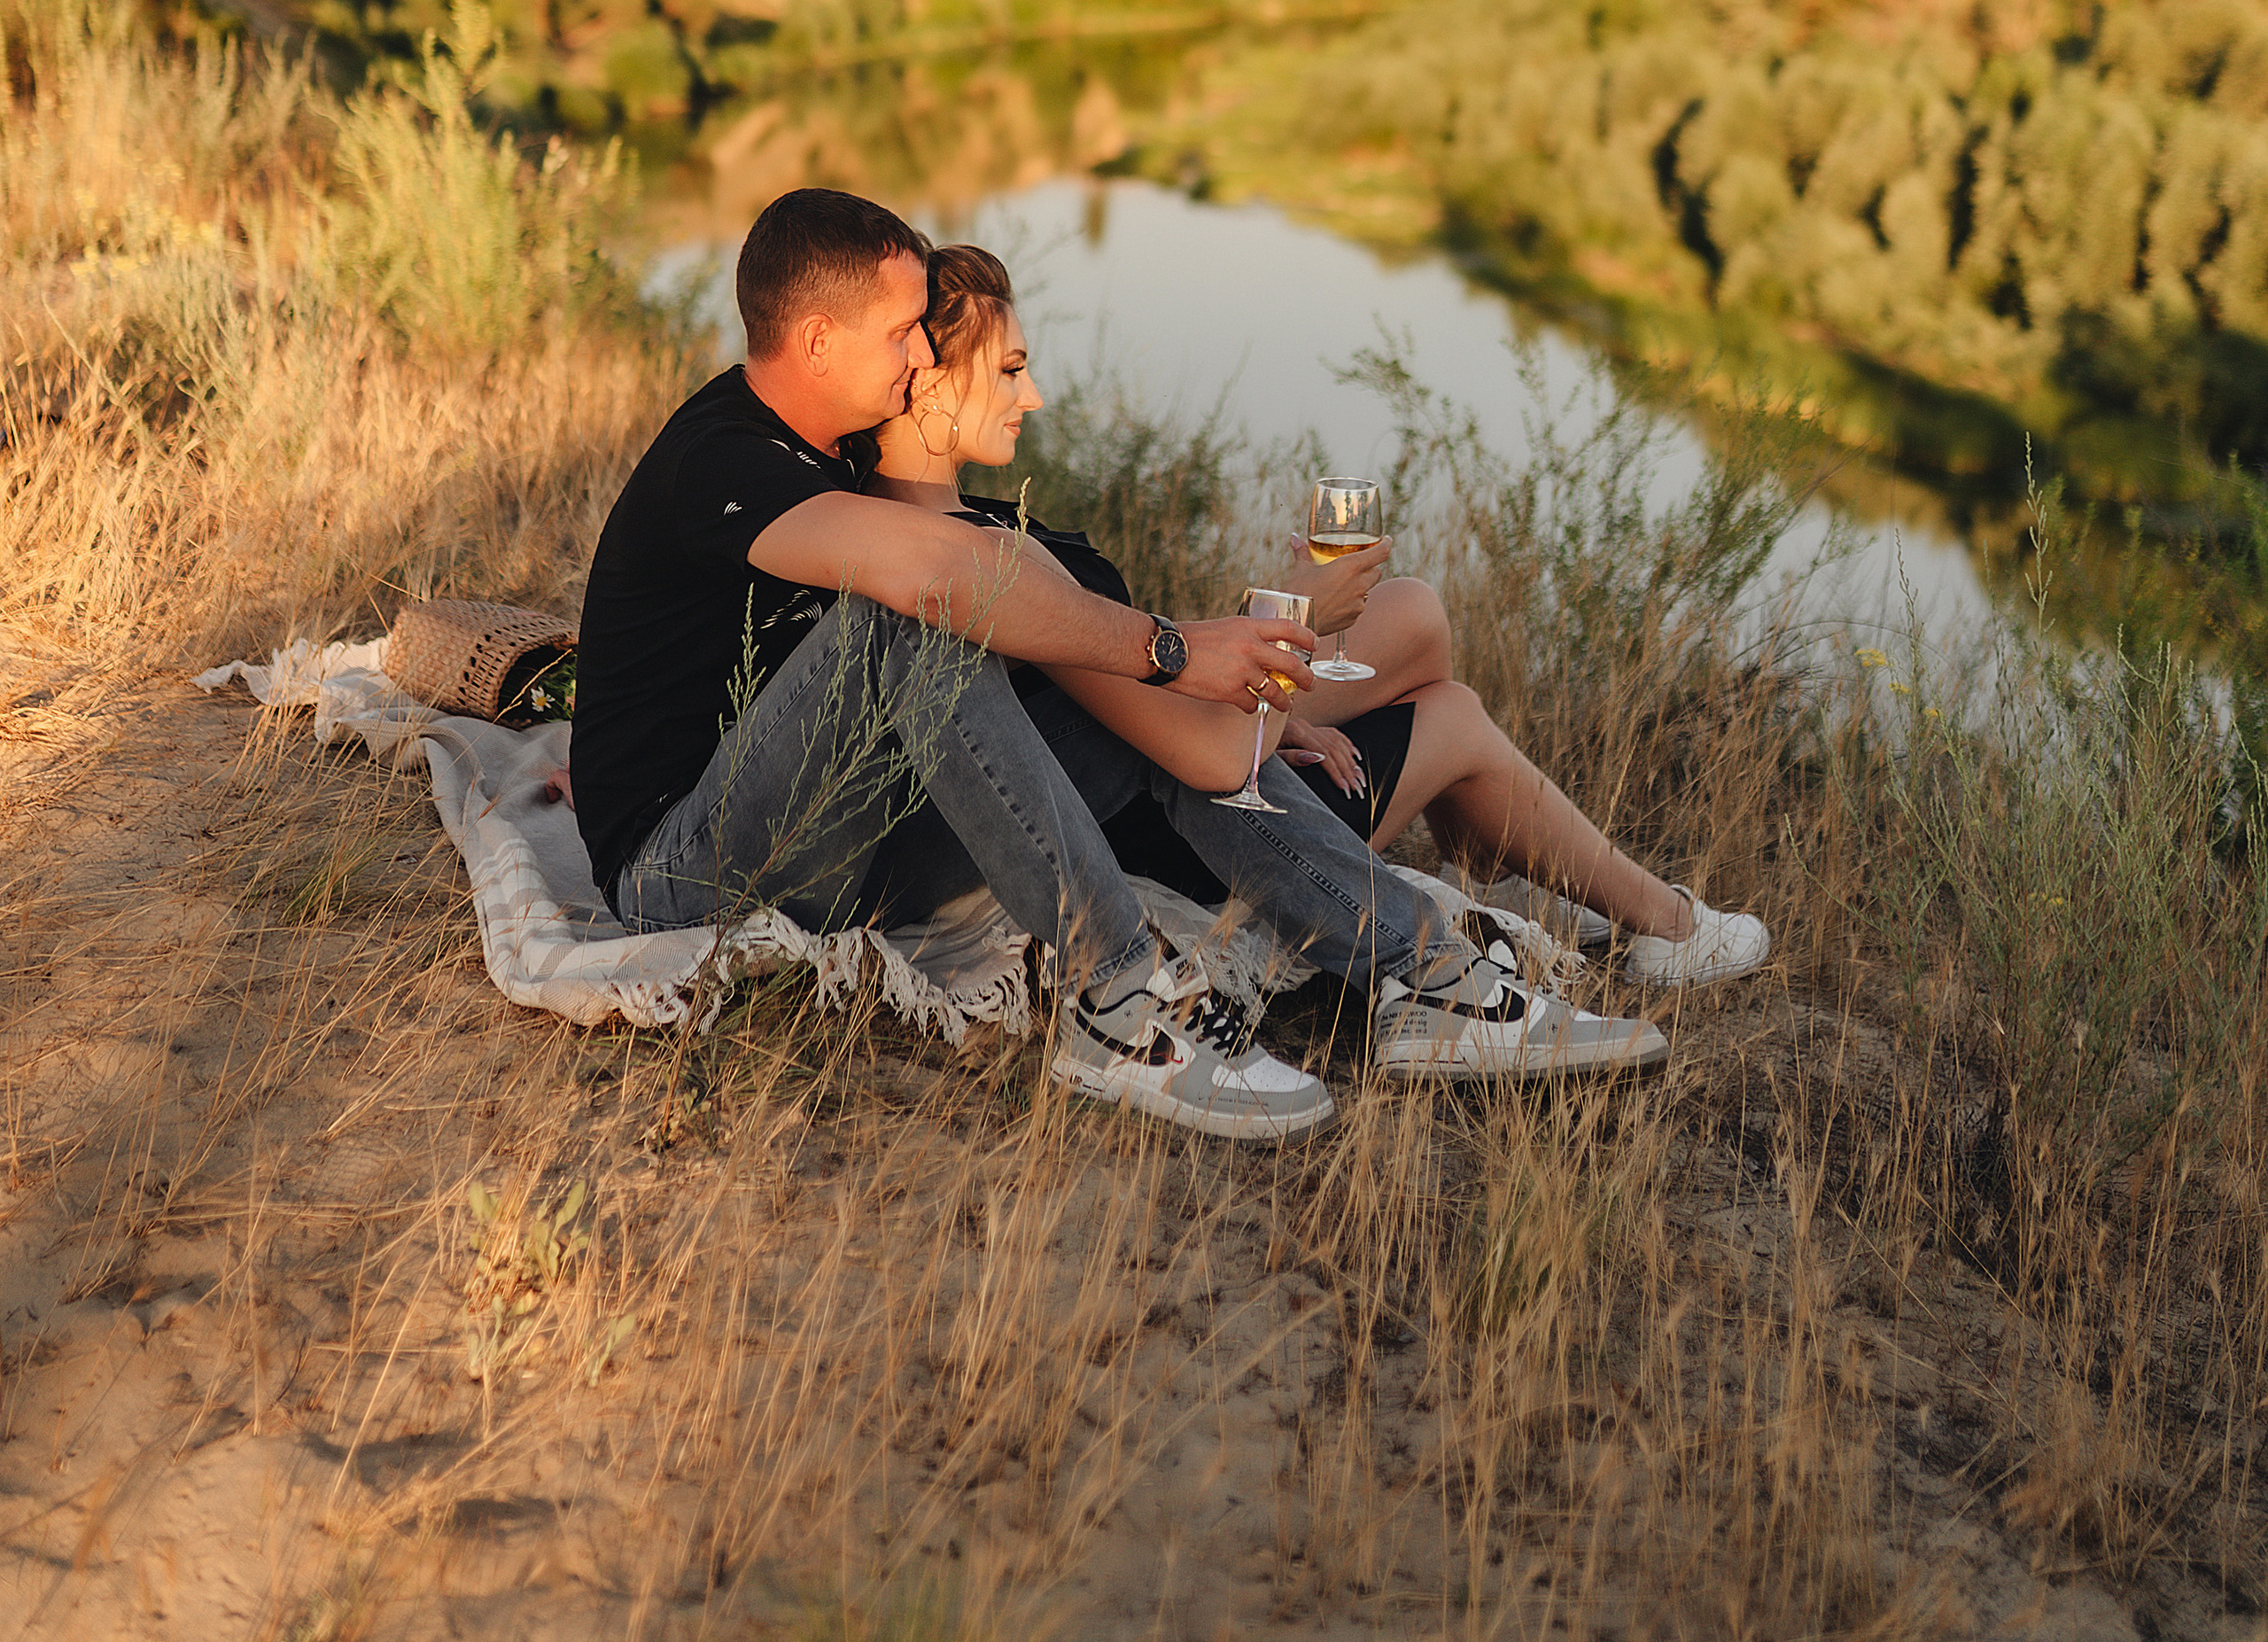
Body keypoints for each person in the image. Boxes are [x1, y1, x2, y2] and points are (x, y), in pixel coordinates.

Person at [569, 188, 1654, 1148]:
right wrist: (1177, 650)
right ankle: (1116, 1003)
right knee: (911, 616)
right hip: (690, 875)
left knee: (1130, 706)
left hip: (848, 844)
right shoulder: (722, 457)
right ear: (813, 339)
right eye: (902, 332)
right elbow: (946, 576)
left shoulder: (848, 440)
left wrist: (1173, 672)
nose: (916, 359)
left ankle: (1426, 977)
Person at [868, 242, 1769, 993]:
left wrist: (1282, 688)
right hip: (1189, 833)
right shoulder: (981, 556)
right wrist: (1292, 615)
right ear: (929, 382)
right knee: (1448, 712)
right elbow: (1203, 758)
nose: (1030, 396)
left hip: (1154, 741)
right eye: (1012, 371)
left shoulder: (913, 526)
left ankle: (1482, 848)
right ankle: (1664, 924)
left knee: (1409, 612)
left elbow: (1113, 675)